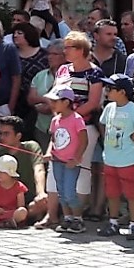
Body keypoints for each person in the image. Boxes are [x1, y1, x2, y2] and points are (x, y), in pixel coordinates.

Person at [97, 74, 134, 239]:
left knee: (132, 193)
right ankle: (113, 222)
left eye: (110, 88)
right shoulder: (109, 108)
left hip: (128, 160)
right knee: (112, 192)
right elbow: (102, 123)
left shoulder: (132, 109)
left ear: (122, 92)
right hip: (110, 158)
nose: (107, 91)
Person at [44, 85, 88, 233]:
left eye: (55, 101)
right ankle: (68, 217)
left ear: (66, 102)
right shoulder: (55, 120)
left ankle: (78, 219)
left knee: (70, 192)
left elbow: (84, 141)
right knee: (61, 191)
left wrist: (76, 159)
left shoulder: (77, 119)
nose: (52, 104)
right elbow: (53, 139)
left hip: (70, 163)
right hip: (57, 161)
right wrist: (49, 152)